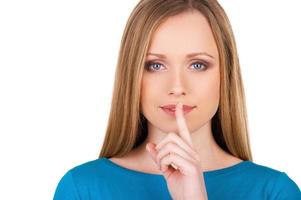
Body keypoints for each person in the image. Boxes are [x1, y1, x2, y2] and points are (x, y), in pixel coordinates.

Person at [53, 0, 301, 199]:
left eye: (197, 64)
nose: (177, 86)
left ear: (225, 75)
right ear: (132, 75)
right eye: (156, 65)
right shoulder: (81, 189)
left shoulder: (274, 192)